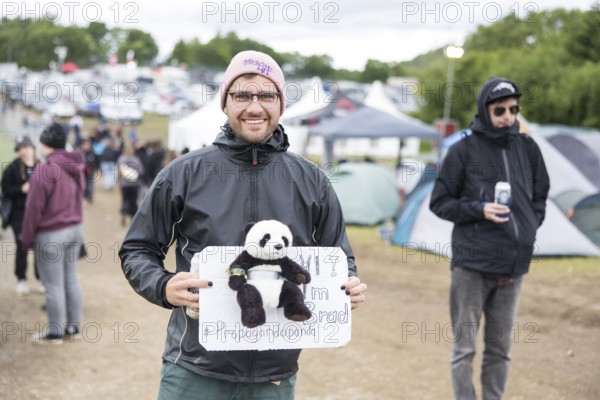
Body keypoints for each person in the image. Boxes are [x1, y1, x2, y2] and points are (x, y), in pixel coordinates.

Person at [119, 50, 368, 399]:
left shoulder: (313, 180)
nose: (254, 107)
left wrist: (347, 286)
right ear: (225, 103)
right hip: (195, 368)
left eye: (266, 95)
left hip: (274, 376)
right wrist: (163, 286)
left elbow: (339, 257)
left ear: (280, 103)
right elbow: (138, 248)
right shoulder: (184, 173)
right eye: (242, 95)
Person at [429, 77, 550, 400]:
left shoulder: (528, 147)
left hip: (513, 267)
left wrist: (530, 226)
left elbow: (541, 195)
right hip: (472, 267)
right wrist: (479, 209)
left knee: (500, 350)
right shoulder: (462, 150)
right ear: (485, 110)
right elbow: (439, 202)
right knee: (464, 349)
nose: (508, 116)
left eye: (513, 109)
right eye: (500, 110)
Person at [21, 122, 86, 345]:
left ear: (45, 144)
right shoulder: (74, 165)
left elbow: (33, 209)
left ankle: (55, 333)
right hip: (75, 229)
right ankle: (74, 327)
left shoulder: (45, 168)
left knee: (53, 285)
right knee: (71, 280)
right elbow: (81, 195)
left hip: (52, 233)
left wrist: (26, 238)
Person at [1, 135, 43, 296]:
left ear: (32, 147)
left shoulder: (43, 167)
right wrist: (21, 189)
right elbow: (5, 189)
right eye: (19, 149)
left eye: (25, 147)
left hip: (39, 215)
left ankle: (40, 279)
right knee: (22, 246)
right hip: (19, 214)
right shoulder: (12, 168)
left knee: (40, 247)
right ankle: (21, 279)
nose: (23, 151)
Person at [116, 144, 144, 226]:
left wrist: (119, 181)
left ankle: (123, 215)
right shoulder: (136, 159)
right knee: (133, 201)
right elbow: (141, 171)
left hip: (124, 184)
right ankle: (133, 218)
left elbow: (118, 171)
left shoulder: (121, 158)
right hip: (134, 184)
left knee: (125, 200)